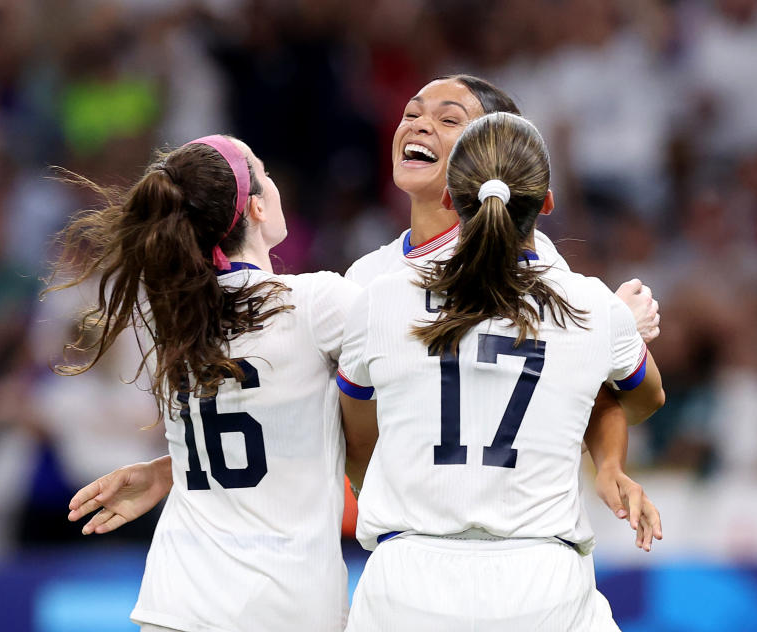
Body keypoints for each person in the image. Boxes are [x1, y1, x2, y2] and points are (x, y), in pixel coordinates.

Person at [70, 76, 662, 549]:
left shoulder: (535, 265)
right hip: (421, 551)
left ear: (487, 157)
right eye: (411, 111)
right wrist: (178, 466)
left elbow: (585, 389)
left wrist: (609, 457)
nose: (419, 123)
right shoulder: (367, 281)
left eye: (449, 118)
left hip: (509, 542)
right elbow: (297, 412)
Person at [337, 112, 665, 631]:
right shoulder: (594, 308)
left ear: (449, 198)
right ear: (547, 202)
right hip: (542, 585)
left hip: (405, 584)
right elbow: (647, 398)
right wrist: (579, 423)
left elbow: (358, 439)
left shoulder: (379, 301)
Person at [48, 135, 361, 632]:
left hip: (177, 600)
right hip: (283, 605)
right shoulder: (318, 303)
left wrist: (174, 469)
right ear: (256, 206)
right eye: (264, 169)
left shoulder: (173, 314)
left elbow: (254, 427)